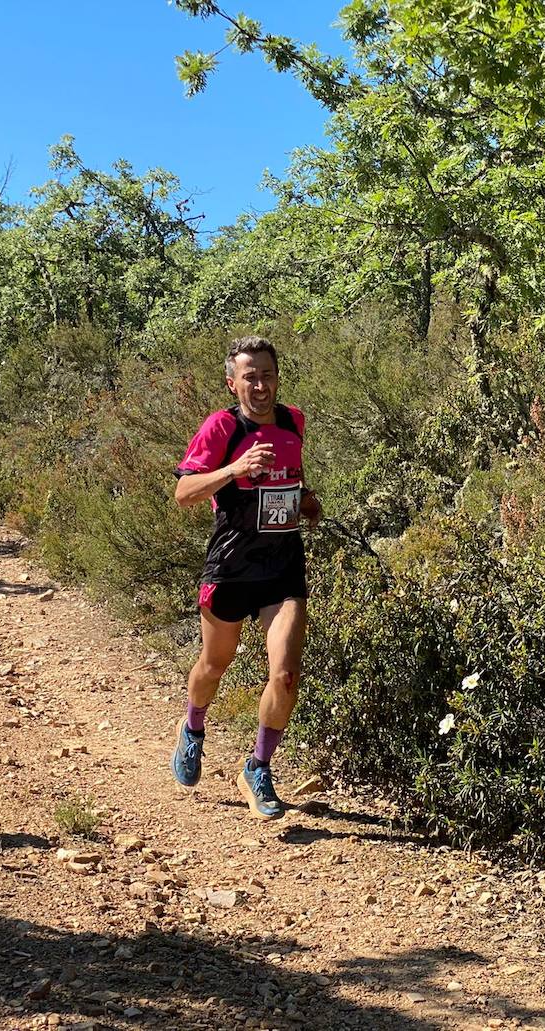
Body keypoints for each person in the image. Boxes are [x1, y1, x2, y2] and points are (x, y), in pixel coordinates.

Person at [171, 336, 322, 819]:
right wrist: (235, 468)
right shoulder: (222, 427)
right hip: (232, 566)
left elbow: (291, 478)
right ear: (232, 382)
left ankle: (257, 767)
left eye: (267, 374)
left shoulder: (292, 421)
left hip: (282, 566)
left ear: (278, 377)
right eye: (250, 376)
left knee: (286, 673)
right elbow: (184, 492)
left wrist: (305, 501)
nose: (260, 384)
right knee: (214, 666)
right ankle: (193, 729)